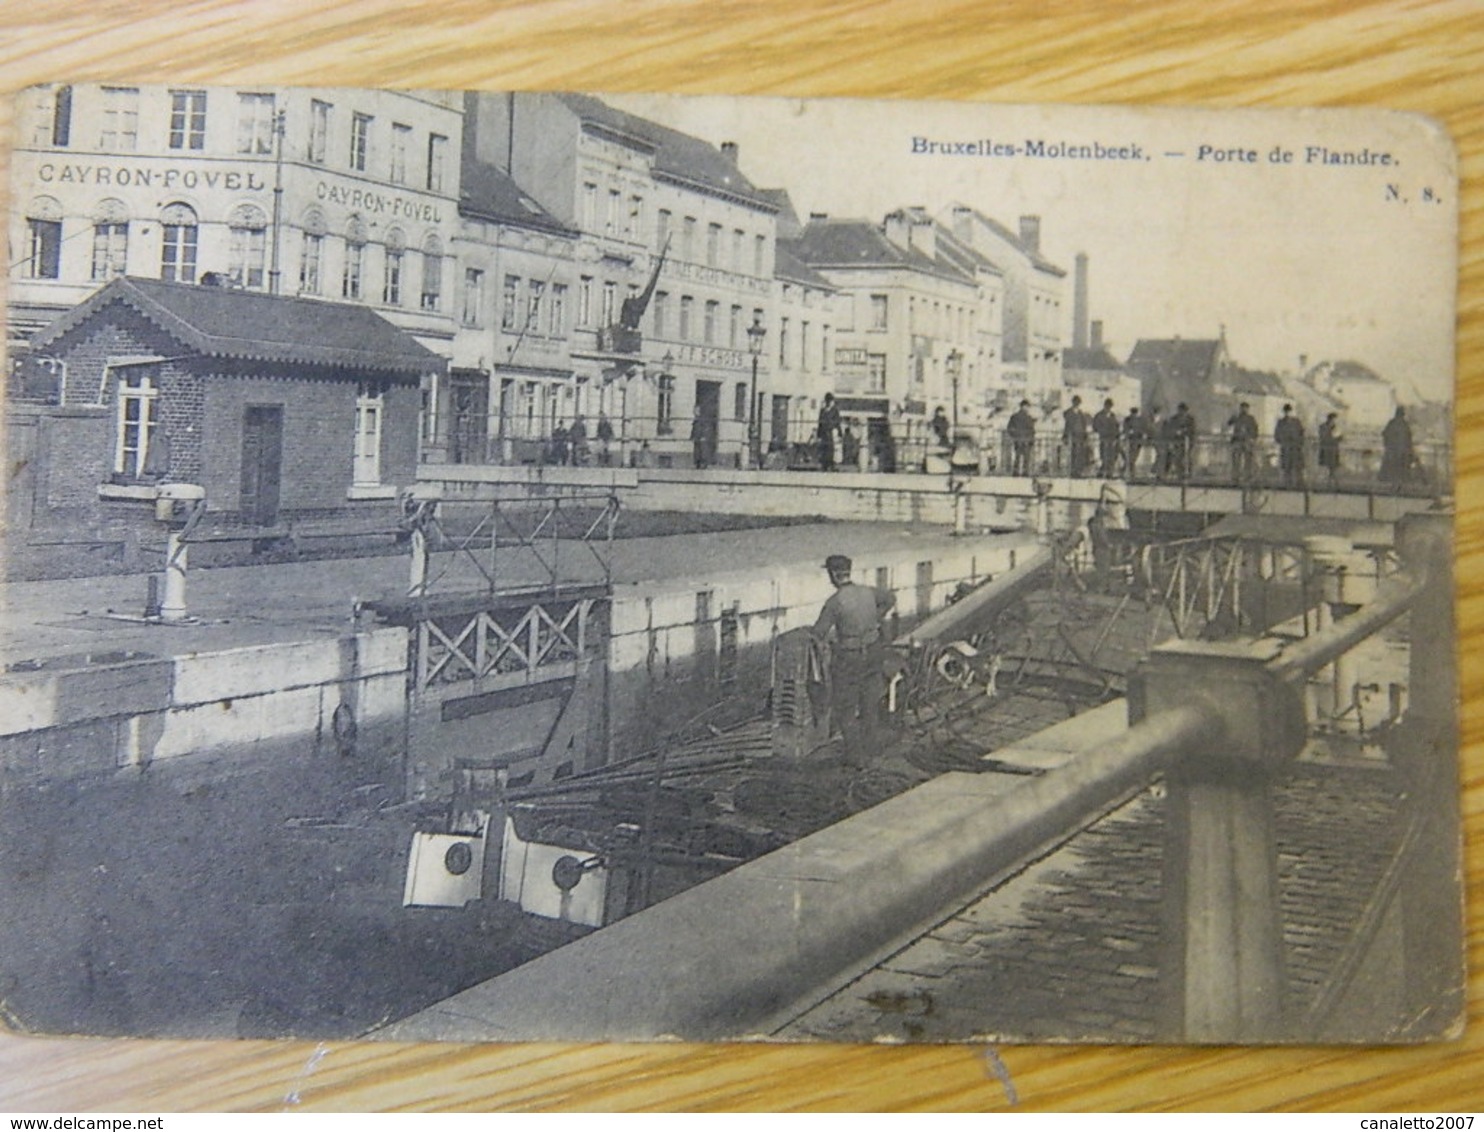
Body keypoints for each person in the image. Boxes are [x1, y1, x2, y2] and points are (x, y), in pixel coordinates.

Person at [812, 553, 896, 765]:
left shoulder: (835, 602)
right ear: (848, 572)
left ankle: (856, 757)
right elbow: (890, 598)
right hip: (873, 651)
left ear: (833, 576)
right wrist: (878, 616)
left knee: (846, 707)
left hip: (850, 657)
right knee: (869, 702)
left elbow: (819, 632)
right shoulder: (868, 592)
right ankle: (873, 749)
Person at [1380, 405, 1415, 489]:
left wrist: (1387, 445)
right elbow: (1409, 439)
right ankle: (1400, 484)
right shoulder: (1405, 425)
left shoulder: (1392, 423)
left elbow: (1384, 434)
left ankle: (1392, 484)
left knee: (1392, 469)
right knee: (1401, 470)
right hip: (1402, 453)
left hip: (1392, 452)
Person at [1228, 401, 1259, 484]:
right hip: (1237, 441)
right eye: (1242, 408)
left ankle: (1247, 477)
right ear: (1240, 409)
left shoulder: (1251, 419)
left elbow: (1255, 430)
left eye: (1245, 408)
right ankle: (1235, 478)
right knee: (1236, 461)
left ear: (1248, 409)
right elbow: (1229, 424)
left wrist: (1253, 439)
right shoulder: (1236, 417)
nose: (1244, 410)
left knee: (1248, 461)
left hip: (1247, 441)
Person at [1275, 403, 1305, 487]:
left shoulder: (1296, 422)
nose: (1288, 413)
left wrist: (1299, 442)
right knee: (1286, 467)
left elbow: (1301, 433)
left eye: (1289, 411)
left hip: (1296, 447)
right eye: (1286, 411)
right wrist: (1283, 440)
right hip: (1286, 448)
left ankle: (1299, 483)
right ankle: (1288, 483)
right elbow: (1277, 435)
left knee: (1298, 466)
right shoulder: (1280, 422)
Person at [1164, 402, 1196, 481]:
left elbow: (1193, 430)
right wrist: (1174, 432)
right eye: (1180, 410)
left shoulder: (1190, 419)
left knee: (1188, 458)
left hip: (1188, 442)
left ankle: (1189, 475)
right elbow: (1170, 428)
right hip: (1177, 442)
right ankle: (1180, 475)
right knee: (1177, 459)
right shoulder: (1173, 418)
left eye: (1183, 411)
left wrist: (1183, 431)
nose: (1181, 412)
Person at [1092, 397, 1120, 477]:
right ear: (1105, 406)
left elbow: (1116, 426)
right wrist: (1102, 431)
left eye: (1110, 406)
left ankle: (1109, 472)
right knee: (1104, 456)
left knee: (1111, 456)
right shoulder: (1099, 415)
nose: (1108, 408)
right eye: (1107, 406)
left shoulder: (1112, 415)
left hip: (1112, 439)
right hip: (1103, 438)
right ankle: (1102, 471)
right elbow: (1095, 426)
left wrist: (1116, 436)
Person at [1062, 394, 1090, 476]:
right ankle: (1073, 471)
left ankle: (1079, 471)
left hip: (1080, 436)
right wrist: (1065, 436)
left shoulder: (1081, 414)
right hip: (1073, 436)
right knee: (1074, 453)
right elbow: (1067, 425)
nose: (1077, 404)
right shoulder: (1069, 413)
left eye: (1078, 403)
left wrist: (1085, 435)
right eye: (1076, 402)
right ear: (1073, 403)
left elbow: (1084, 425)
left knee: (1080, 454)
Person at [1007, 400, 1036, 476]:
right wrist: (1031, 439)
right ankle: (1024, 472)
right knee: (1024, 457)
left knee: (1018, 457)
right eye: (1026, 406)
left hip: (1019, 440)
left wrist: (1014, 437)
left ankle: (1016, 472)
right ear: (1022, 406)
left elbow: (1010, 429)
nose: (1027, 408)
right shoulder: (1027, 418)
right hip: (1025, 440)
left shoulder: (1015, 417)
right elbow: (1032, 430)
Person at [817, 393, 842, 472]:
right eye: (828, 401)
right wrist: (819, 434)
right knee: (824, 448)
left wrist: (839, 433)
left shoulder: (835, 411)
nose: (829, 403)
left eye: (830, 401)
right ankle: (824, 464)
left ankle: (830, 464)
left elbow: (837, 422)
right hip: (824, 432)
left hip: (831, 432)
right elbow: (820, 423)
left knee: (831, 448)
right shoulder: (823, 410)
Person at [1318, 411, 1342, 488]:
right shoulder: (1323, 427)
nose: (1334, 421)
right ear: (1330, 419)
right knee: (1326, 467)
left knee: (1333, 468)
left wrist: (1338, 437)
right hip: (1326, 450)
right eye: (1333, 419)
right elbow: (1323, 437)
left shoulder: (1336, 428)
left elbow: (1340, 438)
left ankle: (1332, 483)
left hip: (1334, 450)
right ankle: (1327, 483)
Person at [1123, 407, 1146, 479]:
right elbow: (1125, 429)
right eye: (1133, 413)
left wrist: (1142, 436)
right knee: (1130, 457)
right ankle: (1131, 473)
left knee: (1134, 457)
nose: (1134, 415)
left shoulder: (1140, 420)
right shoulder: (1127, 420)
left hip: (1138, 441)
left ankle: (1130, 472)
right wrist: (1128, 433)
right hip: (1130, 441)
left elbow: (1143, 429)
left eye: (1135, 413)